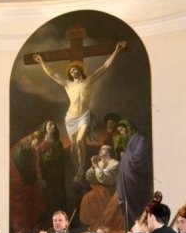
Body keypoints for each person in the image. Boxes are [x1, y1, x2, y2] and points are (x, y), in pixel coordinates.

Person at [33, 41, 126, 182]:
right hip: (70, 117)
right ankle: (75, 168)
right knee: (73, 146)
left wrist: (116, 50)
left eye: (75, 69)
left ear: (80, 70)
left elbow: (105, 66)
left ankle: (81, 170)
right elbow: (52, 74)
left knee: (80, 140)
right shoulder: (67, 83)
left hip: (83, 115)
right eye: (71, 71)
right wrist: (42, 62)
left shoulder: (89, 80)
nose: (73, 71)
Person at [115, 119, 152, 223]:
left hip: (135, 180)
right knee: (128, 204)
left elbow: (139, 159)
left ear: (128, 127)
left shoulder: (141, 139)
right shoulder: (131, 140)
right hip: (128, 179)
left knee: (136, 204)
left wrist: (124, 156)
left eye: (122, 130)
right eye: (119, 131)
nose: (121, 133)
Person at [80, 145, 119, 231]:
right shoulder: (100, 162)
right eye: (100, 149)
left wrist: (96, 166)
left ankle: (101, 225)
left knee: (90, 198)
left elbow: (105, 179)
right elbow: (90, 178)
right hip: (100, 189)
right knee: (87, 198)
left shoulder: (114, 163)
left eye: (103, 149)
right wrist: (93, 166)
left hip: (110, 190)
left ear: (108, 152)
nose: (100, 150)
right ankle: (94, 225)